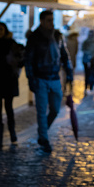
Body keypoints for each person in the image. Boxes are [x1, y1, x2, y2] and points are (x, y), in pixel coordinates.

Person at [25, 10, 73, 153]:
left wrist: (69, 72)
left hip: (54, 77)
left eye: (52, 20)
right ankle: (44, 139)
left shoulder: (57, 36)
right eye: (48, 20)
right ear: (41, 21)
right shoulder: (34, 37)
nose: (51, 23)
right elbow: (28, 60)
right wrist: (31, 79)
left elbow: (64, 55)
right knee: (41, 110)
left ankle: (42, 132)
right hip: (40, 78)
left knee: (55, 109)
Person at [82, 29, 94, 95]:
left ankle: (87, 88)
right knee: (91, 74)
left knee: (88, 74)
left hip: (89, 60)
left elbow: (83, 49)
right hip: (92, 60)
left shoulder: (87, 42)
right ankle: (90, 88)